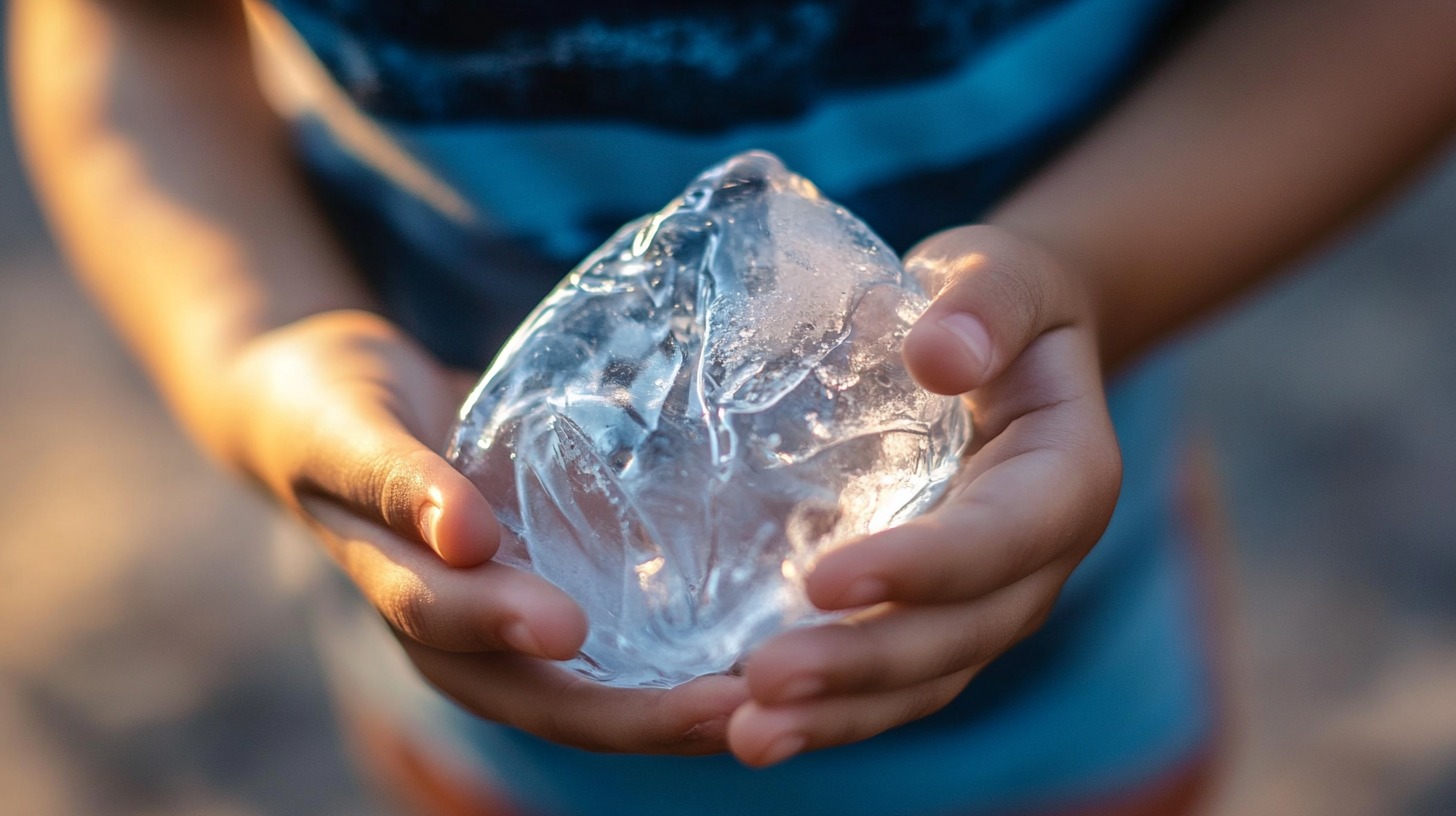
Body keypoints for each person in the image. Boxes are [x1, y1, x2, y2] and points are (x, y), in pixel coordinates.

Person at [10, 0, 1456, 813]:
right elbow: (135, 34)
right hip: (493, 696)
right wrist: (263, 354)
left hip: (1064, 696)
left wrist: (1087, 274)